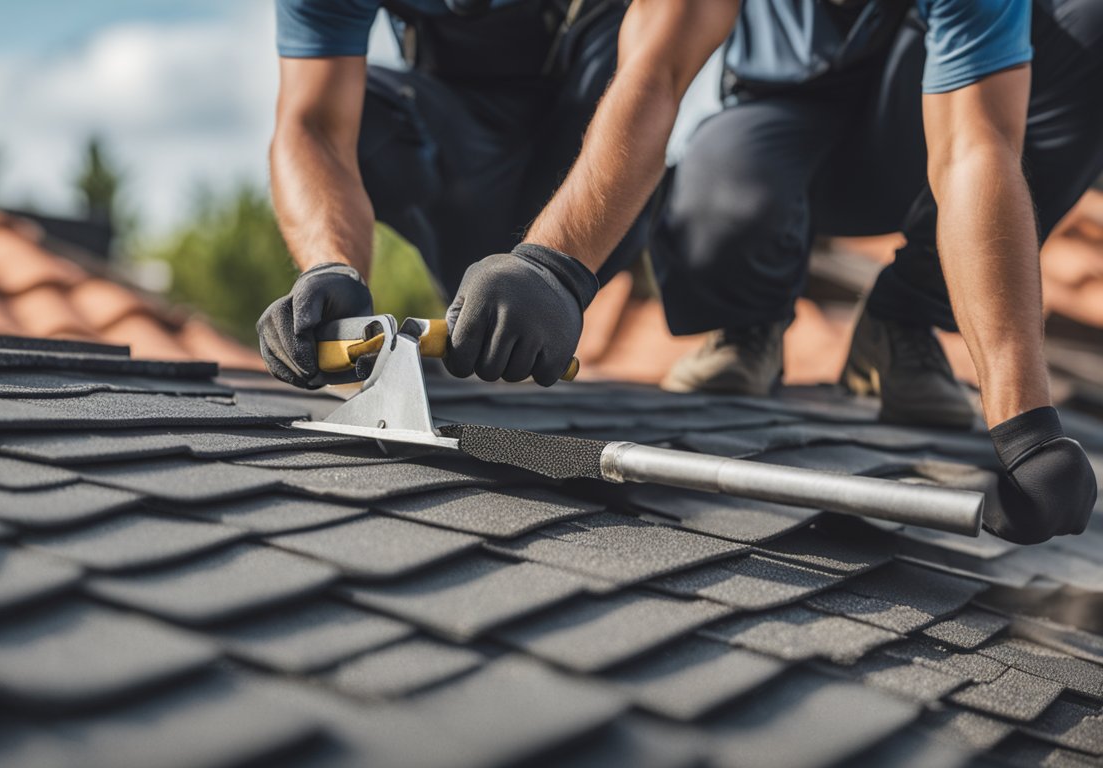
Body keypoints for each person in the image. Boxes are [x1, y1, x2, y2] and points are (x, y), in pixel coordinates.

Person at [444, 0, 1099, 543]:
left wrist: (1025, 426)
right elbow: (656, 73)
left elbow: (974, 152)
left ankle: (903, 322)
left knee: (1089, 27)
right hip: (778, 124)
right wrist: (555, 264)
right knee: (721, 200)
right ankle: (746, 324)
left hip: (910, 133)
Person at [258, 0, 640, 390]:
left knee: (705, 189)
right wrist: (331, 264)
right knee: (366, 115)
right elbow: (314, 126)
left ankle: (661, 294)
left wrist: (557, 267)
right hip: (467, 171)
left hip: (607, 189)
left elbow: (655, 82)